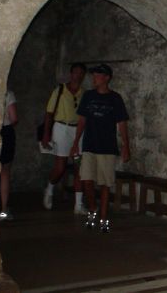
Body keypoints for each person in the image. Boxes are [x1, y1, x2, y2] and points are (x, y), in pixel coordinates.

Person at [70, 64, 130, 233]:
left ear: (106, 78)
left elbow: (122, 123)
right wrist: (75, 143)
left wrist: (126, 146)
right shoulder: (88, 96)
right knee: (87, 180)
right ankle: (92, 208)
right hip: (89, 145)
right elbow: (82, 120)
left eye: (97, 76)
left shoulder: (115, 98)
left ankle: (103, 218)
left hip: (107, 147)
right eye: (93, 76)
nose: (94, 79)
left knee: (104, 184)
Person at [41, 62, 87, 214]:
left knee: (79, 166)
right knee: (60, 167)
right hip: (61, 127)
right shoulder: (60, 90)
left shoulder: (84, 93)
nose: (78, 76)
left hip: (78, 130)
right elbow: (49, 113)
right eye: (76, 72)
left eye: (81, 73)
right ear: (71, 73)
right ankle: (49, 189)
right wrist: (46, 134)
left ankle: (78, 205)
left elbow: (84, 116)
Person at [0, 90, 18, 221]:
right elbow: (14, 118)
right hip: (5, 132)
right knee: (4, 170)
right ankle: (3, 211)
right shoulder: (7, 93)